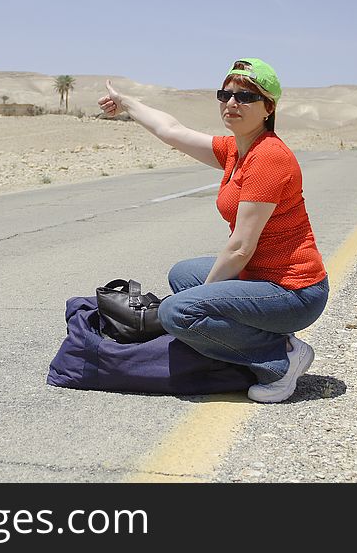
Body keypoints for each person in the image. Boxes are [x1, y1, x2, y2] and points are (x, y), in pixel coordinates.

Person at [97, 58, 328, 403]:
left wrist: (198, 302)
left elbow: (239, 249)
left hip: (295, 292)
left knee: (177, 311)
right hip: (262, 278)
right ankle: (253, 341)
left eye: (246, 97)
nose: (232, 103)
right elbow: (171, 131)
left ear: (268, 107)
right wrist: (126, 103)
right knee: (182, 275)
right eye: (226, 94)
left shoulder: (269, 157)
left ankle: (281, 360)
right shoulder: (237, 150)